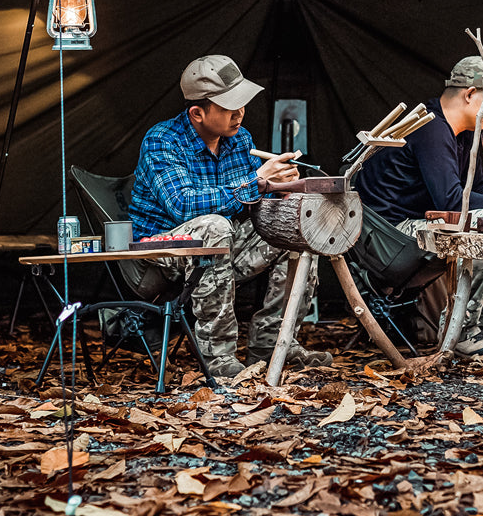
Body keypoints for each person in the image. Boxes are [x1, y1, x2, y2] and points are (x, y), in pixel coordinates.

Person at [123, 54, 332, 379]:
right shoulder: (162, 140)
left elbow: (252, 199)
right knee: (215, 226)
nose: (239, 114)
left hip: (222, 247)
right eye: (228, 107)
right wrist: (257, 182)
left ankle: (274, 343)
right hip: (162, 248)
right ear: (197, 113)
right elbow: (184, 205)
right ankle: (218, 357)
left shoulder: (240, 140)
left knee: (299, 226)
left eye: (242, 104)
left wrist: (280, 188)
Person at [353, 56, 483, 358]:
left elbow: (480, 187)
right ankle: (460, 330)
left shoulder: (463, 135)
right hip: (389, 238)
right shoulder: (430, 129)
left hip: (414, 230)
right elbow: (450, 199)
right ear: (470, 94)